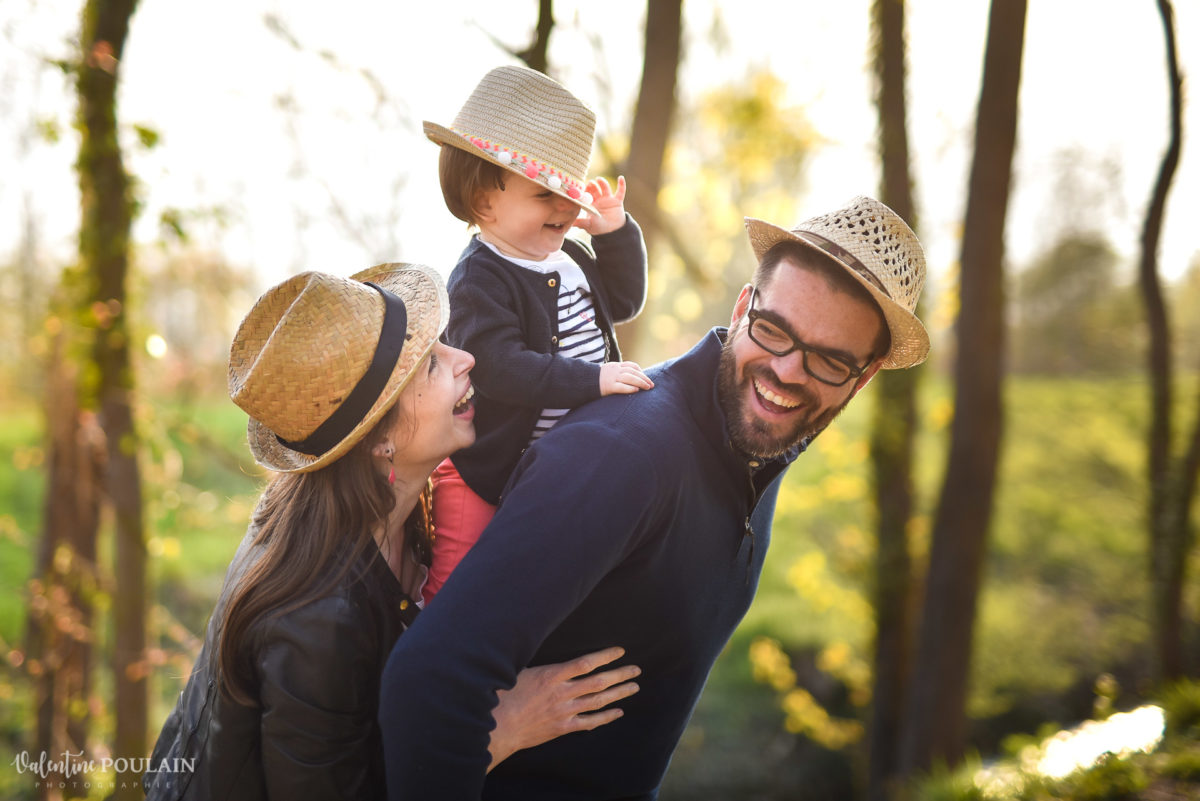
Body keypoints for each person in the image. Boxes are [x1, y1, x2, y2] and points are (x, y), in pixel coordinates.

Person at [377, 196, 931, 799]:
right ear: (744, 307)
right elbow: (429, 683)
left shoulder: (757, 451)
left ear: (865, 374)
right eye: (773, 331)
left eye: (828, 361)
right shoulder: (620, 456)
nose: (787, 371)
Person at [142, 265, 640, 801]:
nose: (466, 357)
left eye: (442, 344)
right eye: (431, 365)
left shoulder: (398, 505)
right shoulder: (319, 622)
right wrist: (497, 731)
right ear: (379, 441)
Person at [420, 65, 652, 603]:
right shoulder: (480, 277)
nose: (567, 209)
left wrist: (616, 235)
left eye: (570, 195)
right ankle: (431, 653)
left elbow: (624, 302)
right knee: (460, 579)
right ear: (484, 202)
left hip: (559, 464)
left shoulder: (569, 255)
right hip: (490, 468)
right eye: (545, 195)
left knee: (541, 578)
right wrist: (592, 381)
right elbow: (501, 367)